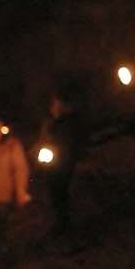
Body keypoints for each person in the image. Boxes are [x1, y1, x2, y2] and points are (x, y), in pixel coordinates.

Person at [33, 93, 89, 237]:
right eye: (54, 105)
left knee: (62, 192)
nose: (56, 108)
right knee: (52, 192)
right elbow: (43, 138)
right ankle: (58, 221)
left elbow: (72, 142)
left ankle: (65, 223)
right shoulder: (48, 121)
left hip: (63, 163)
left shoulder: (69, 122)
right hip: (50, 163)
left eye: (59, 105)